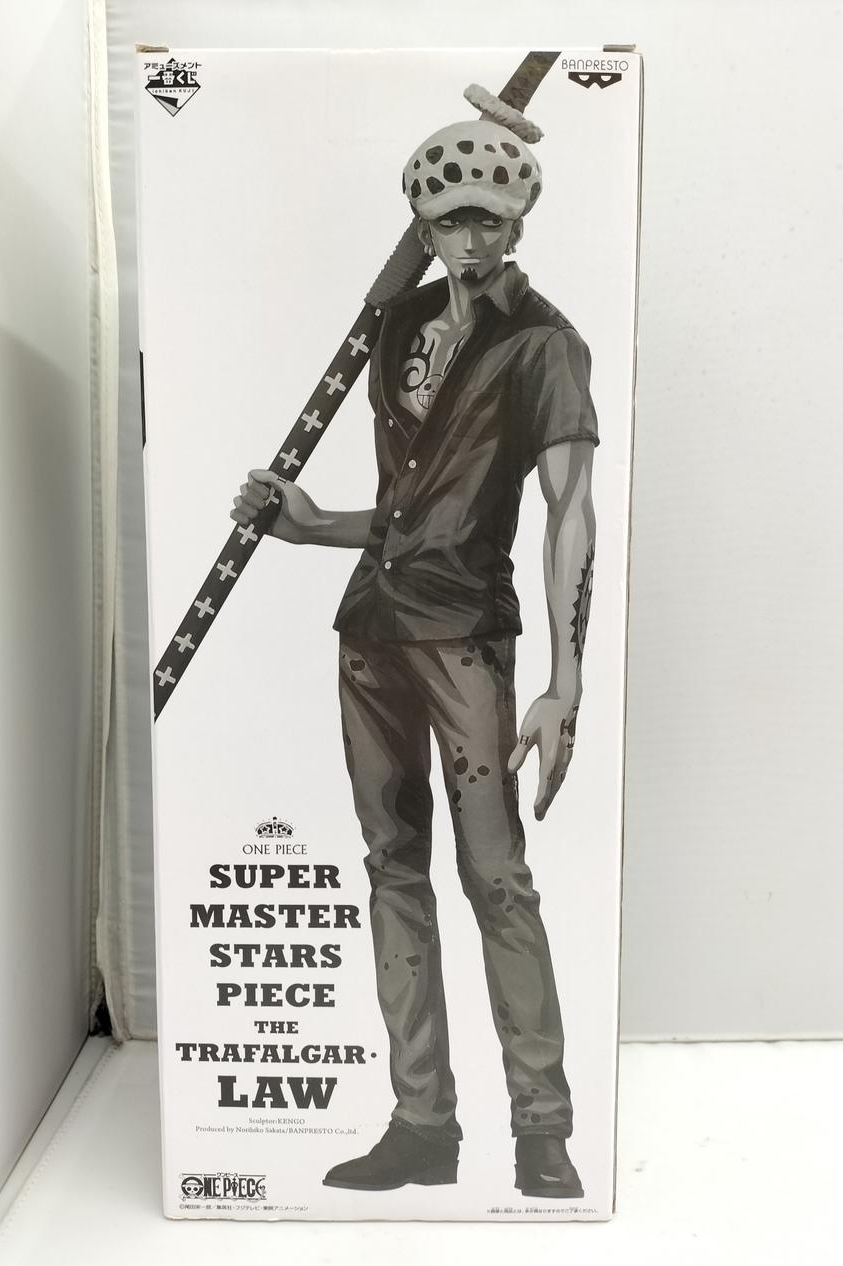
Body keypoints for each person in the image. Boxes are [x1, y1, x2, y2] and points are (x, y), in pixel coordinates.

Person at [231, 95, 597, 1199]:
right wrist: (313, 529)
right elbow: (411, 506)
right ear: (424, 227)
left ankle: (542, 1129)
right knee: (393, 871)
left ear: (518, 223)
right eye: (449, 220)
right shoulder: (394, 329)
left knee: (497, 878)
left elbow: (567, 511)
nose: (471, 239)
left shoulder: (544, 343)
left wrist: (566, 678)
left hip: (468, 637)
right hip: (373, 628)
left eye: (489, 218)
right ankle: (423, 1124)